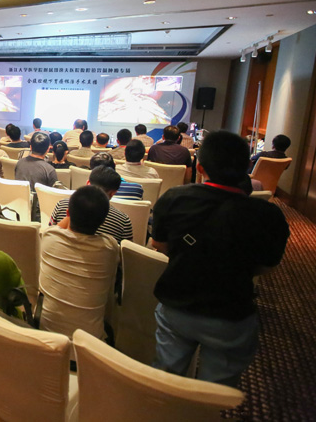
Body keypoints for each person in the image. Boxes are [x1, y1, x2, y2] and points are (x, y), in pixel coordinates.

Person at [151, 130, 289, 386]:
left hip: (176, 303)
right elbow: (268, 265)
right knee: (217, 392)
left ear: (200, 167)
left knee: (165, 379)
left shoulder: (174, 198)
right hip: (231, 312)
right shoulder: (268, 215)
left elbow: (158, 244)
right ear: (247, 167)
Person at [39, 186, 119, 342]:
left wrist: (70, 215)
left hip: (46, 337)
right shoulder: (110, 248)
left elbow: (55, 228)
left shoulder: (49, 237)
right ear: (103, 221)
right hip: (88, 345)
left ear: (68, 213)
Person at [49, 166, 133, 243]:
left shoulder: (61, 205)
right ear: (113, 193)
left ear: (88, 183)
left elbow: (50, 234)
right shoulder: (123, 221)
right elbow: (126, 252)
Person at [16, 132, 61, 221]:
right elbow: (54, 197)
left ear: (31, 147)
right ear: (48, 149)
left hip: (19, 211)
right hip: (40, 217)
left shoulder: (19, 163)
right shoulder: (49, 170)